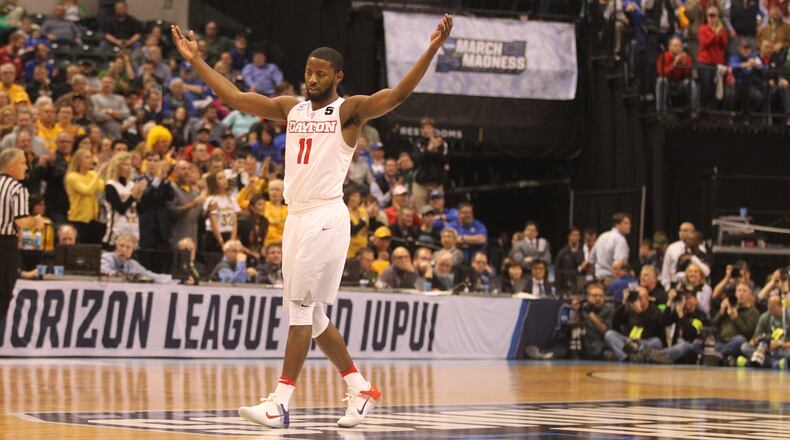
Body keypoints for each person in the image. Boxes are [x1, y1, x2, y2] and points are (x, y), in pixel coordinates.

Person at [173, 14, 453, 429]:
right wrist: (196, 60)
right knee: (314, 316)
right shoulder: (291, 108)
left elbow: (396, 95)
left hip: (326, 213)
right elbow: (235, 97)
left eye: (321, 73)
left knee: (301, 310)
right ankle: (361, 387)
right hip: (296, 216)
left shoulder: (350, 110)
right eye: (308, 72)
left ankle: (280, 402)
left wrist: (430, 49)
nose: (312, 79)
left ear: (338, 76)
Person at [0, 148, 44, 318]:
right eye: (23, 163)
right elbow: (21, 222)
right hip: (4, 246)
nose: (26, 167)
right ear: (11, 166)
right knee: (3, 295)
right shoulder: (17, 189)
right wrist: (36, 221)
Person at [102, 152, 146, 246]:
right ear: (117, 167)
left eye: (130, 164)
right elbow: (120, 209)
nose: (129, 167)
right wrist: (133, 196)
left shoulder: (132, 185)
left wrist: (139, 196)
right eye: (125, 164)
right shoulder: (111, 186)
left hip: (133, 230)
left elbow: (141, 210)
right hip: (116, 231)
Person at [64, 148, 104, 243]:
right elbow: (87, 190)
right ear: (79, 161)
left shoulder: (92, 174)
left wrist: (96, 174)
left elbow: (101, 187)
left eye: (91, 157)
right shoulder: (72, 177)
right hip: (78, 219)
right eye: (87, 157)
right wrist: (98, 173)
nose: (91, 160)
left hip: (93, 219)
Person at [100, 234, 172, 283]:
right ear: (116, 247)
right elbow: (104, 270)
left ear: (132, 250)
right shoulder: (107, 257)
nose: (124, 249)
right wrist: (130, 277)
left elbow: (148, 274)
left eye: (128, 247)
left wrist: (171, 278)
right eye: (121, 246)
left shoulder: (133, 264)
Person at [589, 212, 631, 282]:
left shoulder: (602, 236)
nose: (629, 226)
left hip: (597, 279)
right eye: (626, 223)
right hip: (611, 279)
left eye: (629, 223)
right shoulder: (620, 240)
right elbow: (617, 264)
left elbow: (591, 260)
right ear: (617, 224)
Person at [554, 227, 585, 295]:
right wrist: (579, 269)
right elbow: (558, 271)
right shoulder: (562, 253)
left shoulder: (583, 251)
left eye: (577, 235)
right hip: (565, 287)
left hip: (580, 286)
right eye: (573, 235)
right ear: (569, 236)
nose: (575, 237)